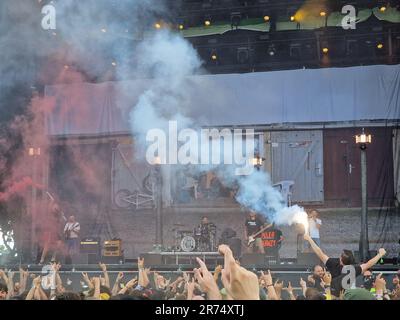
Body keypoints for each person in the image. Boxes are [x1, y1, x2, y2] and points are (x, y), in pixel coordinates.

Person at [304, 233, 387, 296]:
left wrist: (309, 239)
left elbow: (320, 253)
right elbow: (368, 264)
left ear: (340, 260)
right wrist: (380, 255)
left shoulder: (333, 264)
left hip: (334, 295)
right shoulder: (354, 269)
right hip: (348, 296)